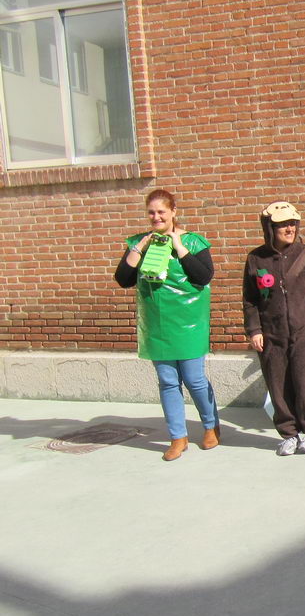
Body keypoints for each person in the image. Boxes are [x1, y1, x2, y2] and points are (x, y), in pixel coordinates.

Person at [114, 188, 221, 461]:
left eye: (161, 211)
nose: (156, 217)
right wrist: (140, 247)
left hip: (188, 324)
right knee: (167, 381)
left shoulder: (194, 242)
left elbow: (204, 276)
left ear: (174, 211)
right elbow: (123, 279)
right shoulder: (140, 242)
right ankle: (178, 437)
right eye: (151, 212)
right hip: (157, 325)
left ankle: (210, 426)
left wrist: (179, 246)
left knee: (194, 379)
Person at [242, 201, 305, 456]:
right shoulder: (255, 258)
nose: (289, 229)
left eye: (292, 224)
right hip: (272, 334)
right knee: (278, 384)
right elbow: (250, 300)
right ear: (269, 228)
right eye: (282, 225)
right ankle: (289, 433)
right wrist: (254, 330)